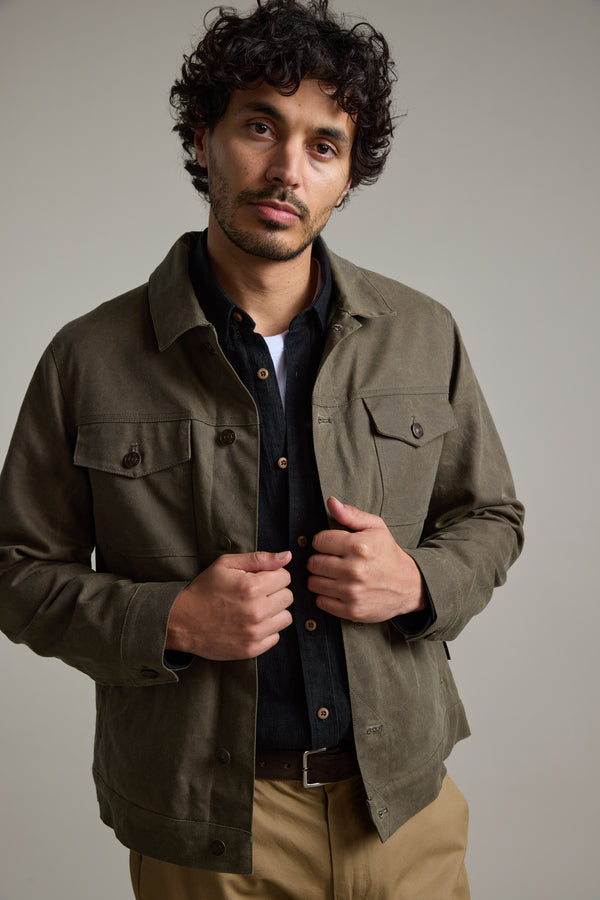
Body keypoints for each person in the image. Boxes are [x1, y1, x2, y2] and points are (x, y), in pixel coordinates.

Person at [0, 1, 524, 897]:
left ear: (347, 177)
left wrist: (418, 581)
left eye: (324, 145)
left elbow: (492, 516)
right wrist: (168, 620)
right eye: (259, 127)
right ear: (202, 139)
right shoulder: (89, 356)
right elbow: (15, 571)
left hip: (404, 810)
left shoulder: (422, 334)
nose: (287, 169)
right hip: (209, 831)